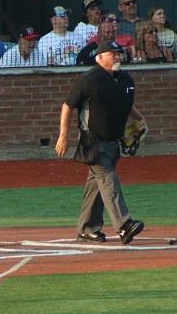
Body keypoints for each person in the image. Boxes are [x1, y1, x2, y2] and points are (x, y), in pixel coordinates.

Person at [55, 40, 147, 245]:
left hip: (114, 143)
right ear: (99, 58)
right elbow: (68, 105)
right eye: (112, 54)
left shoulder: (125, 79)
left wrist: (140, 119)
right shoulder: (89, 79)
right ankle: (124, 225)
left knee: (96, 186)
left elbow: (127, 104)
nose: (117, 56)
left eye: (118, 53)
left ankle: (86, 228)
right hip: (93, 142)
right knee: (107, 178)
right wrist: (63, 136)